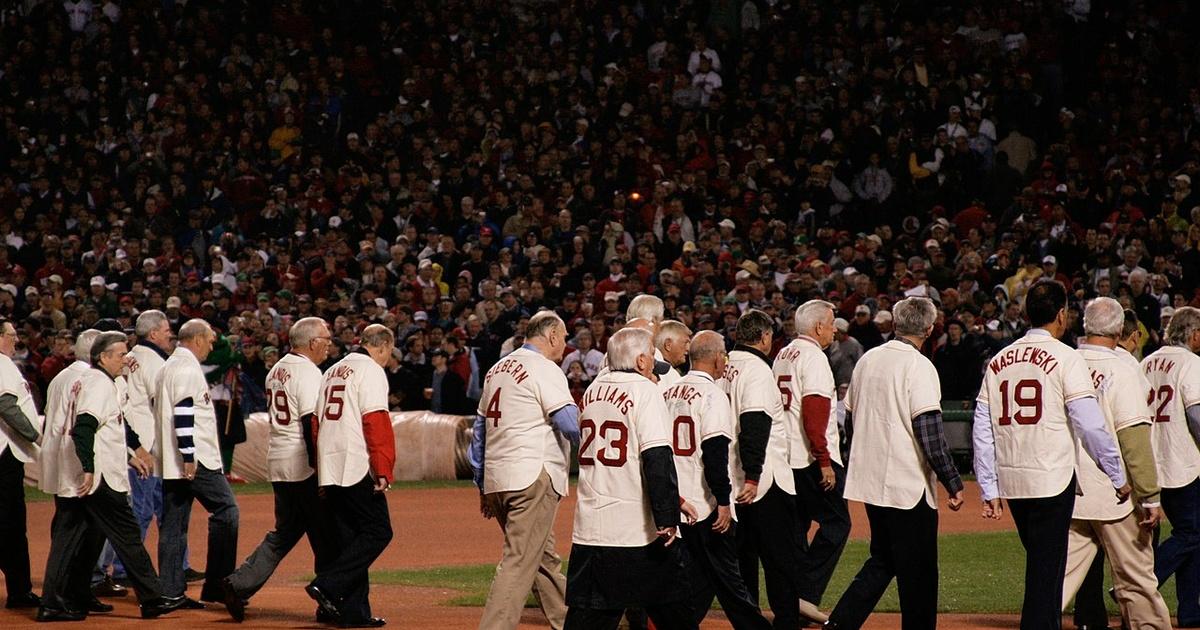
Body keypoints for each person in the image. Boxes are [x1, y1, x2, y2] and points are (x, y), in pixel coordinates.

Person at [973, 280, 1129, 630]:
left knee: (1042, 567)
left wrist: (989, 486)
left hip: (1013, 479)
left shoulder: (998, 360)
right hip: (1051, 477)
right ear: (1061, 314)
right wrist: (1115, 473)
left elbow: (982, 429)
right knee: (1046, 573)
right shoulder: (1066, 357)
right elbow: (1090, 425)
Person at [825, 296, 965, 630]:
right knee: (919, 573)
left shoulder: (869, 359)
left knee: (884, 559)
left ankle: (840, 623)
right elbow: (929, 432)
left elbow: (850, 418)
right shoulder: (919, 366)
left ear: (897, 324)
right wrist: (953, 481)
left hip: (872, 480)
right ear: (929, 329)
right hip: (907, 484)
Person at [564, 326, 696, 629]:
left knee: (590, 613)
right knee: (674, 609)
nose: (653, 363)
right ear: (640, 361)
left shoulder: (592, 391)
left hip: (591, 525)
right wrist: (667, 517)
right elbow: (656, 459)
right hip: (635, 530)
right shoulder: (645, 391)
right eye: (651, 355)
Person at [55, 331, 184, 619]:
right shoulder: (99, 384)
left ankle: (68, 597)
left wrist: (134, 452)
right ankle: (152, 598)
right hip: (101, 477)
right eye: (120, 354)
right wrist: (88, 467)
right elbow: (84, 427)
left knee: (84, 538)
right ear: (102, 357)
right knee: (126, 535)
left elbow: (116, 427)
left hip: (102, 473)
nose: (127, 359)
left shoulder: (109, 382)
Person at [1062, 298, 1171, 629]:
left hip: (1067, 490)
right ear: (1121, 330)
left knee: (1053, 583)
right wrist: (1150, 495)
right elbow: (1133, 438)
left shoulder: (1063, 361)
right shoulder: (1123, 369)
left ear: (1085, 325)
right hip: (1115, 494)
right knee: (1136, 579)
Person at [222, 317, 337, 622]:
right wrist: (322, 470)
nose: (329, 345)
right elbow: (310, 425)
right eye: (326, 339)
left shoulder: (276, 369)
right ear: (312, 343)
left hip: (278, 461)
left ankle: (238, 583)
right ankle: (330, 599)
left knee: (285, 532)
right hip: (302, 464)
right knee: (326, 535)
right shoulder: (310, 373)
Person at [470, 310, 577, 630]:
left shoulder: (497, 369)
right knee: (518, 561)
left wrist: (482, 484)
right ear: (552, 336)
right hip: (532, 475)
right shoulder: (544, 368)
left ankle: (572, 622)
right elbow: (568, 422)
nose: (566, 343)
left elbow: (479, 432)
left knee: (541, 559)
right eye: (565, 336)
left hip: (499, 478)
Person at [662, 330, 771, 630]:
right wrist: (723, 501)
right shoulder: (712, 394)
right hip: (704, 504)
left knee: (697, 580)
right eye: (723, 354)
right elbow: (714, 453)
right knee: (730, 582)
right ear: (716, 358)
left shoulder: (668, 390)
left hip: (677, 500)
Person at [720, 309, 807, 628]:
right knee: (780, 560)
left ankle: (750, 621)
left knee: (743, 559)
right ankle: (785, 622)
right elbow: (754, 424)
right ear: (765, 336)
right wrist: (754, 475)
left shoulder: (725, 365)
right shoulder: (756, 370)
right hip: (763, 480)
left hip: (731, 475)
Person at [306, 324, 396, 628]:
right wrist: (382, 468)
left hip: (330, 463)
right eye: (388, 353)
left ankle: (353, 613)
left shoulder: (332, 370)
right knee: (378, 531)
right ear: (381, 346)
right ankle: (328, 584)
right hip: (356, 463)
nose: (386, 359)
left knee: (350, 539)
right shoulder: (370, 370)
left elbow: (315, 424)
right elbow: (375, 421)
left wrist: (319, 469)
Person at [155, 318, 240, 607]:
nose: (213, 344)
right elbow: (183, 412)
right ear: (197, 339)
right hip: (195, 459)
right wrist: (189, 455)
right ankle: (218, 585)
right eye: (210, 339)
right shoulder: (187, 367)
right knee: (227, 511)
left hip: (174, 460)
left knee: (174, 524)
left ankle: (170, 592)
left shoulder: (168, 365)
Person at [774, 299, 848, 620]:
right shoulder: (814, 357)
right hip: (808, 455)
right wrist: (824, 458)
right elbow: (814, 412)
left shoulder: (782, 354)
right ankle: (804, 593)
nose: (834, 329)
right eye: (832, 323)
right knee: (837, 523)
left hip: (784, 455)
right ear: (819, 327)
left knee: (797, 526)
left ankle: (790, 601)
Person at [36, 329, 106, 619]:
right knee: (71, 531)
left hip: (60, 462)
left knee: (90, 530)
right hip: (77, 465)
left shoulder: (60, 377)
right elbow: (80, 427)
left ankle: (78, 591)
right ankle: (53, 600)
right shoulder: (89, 378)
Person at [1141, 305, 1200, 626]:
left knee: (1191, 535)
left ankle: (1190, 610)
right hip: (1182, 461)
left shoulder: (1146, 362)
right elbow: (1195, 414)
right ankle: (1142, 584)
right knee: (1191, 532)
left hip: (1150, 460)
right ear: (1193, 334)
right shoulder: (1192, 363)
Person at [0, 317, 41, 610]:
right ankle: (19, 591)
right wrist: (34, 434)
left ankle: (19, 588)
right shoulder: (1, 364)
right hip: (4, 455)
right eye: (12, 335)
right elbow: (6, 405)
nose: (16, 340)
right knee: (12, 525)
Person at [653, 320, 691, 389]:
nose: (688, 348)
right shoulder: (670, 374)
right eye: (686, 343)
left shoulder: (647, 364)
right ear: (668, 345)